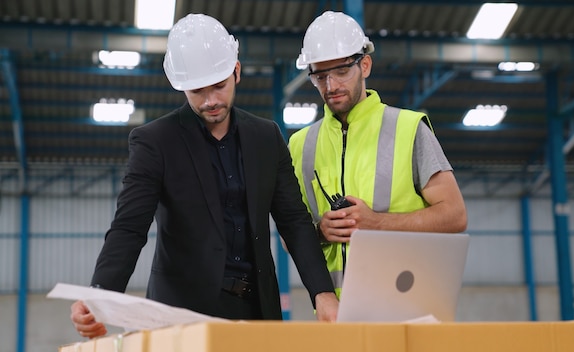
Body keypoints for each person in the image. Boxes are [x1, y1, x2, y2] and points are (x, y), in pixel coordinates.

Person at [70, 13, 338, 338]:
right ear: (181, 86)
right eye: (197, 91)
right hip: (180, 315)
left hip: (257, 311)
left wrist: (321, 292)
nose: (210, 100)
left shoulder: (266, 137)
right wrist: (100, 293)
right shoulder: (155, 143)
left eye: (219, 86)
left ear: (236, 71)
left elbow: (294, 221)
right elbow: (129, 227)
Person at [289, 11, 468, 297]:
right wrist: (320, 231)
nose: (331, 86)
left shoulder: (408, 129)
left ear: (366, 65)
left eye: (341, 71)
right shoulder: (300, 145)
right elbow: (290, 234)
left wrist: (377, 223)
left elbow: (454, 216)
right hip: (338, 316)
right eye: (320, 76)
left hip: (408, 304)